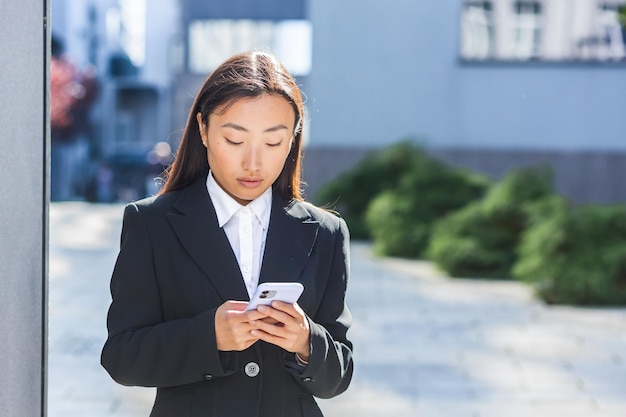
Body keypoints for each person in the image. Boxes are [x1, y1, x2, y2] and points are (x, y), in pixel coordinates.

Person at [100, 51, 353, 417]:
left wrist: (306, 341)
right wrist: (210, 338)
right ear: (203, 129)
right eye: (235, 141)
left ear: (294, 139)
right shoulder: (151, 223)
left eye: (273, 143)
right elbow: (122, 356)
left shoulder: (326, 233)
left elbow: (339, 374)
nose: (253, 162)